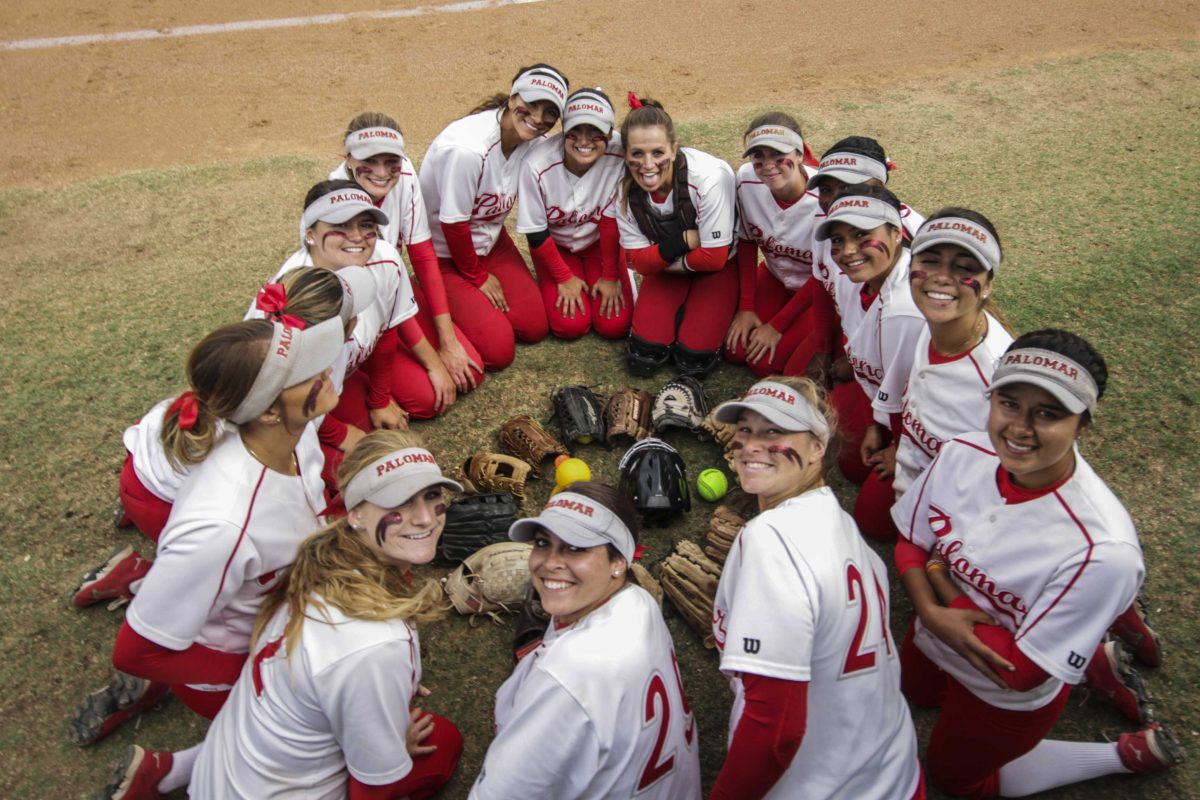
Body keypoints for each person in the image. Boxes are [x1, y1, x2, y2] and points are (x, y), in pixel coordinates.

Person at [892, 330, 1183, 797]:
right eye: (1009, 403)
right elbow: (909, 541)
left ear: (1083, 424)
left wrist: (937, 582)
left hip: (1003, 690)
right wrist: (930, 610)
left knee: (956, 780)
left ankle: (1121, 754)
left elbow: (1021, 671)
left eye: (1048, 413)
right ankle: (1092, 655)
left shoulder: (1103, 549)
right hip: (942, 631)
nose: (1020, 428)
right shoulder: (964, 450)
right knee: (915, 693)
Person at [74, 317, 343, 799]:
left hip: (280, 620)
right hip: (234, 661)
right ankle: (176, 770)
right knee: (340, 738)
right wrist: (259, 686)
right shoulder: (221, 524)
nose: (324, 370)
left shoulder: (294, 431)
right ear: (266, 412)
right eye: (306, 371)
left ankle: (168, 767)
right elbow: (135, 652)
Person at [73, 267, 374, 611]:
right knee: (273, 590)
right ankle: (136, 576)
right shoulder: (239, 474)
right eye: (313, 368)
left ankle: (149, 498)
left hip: (152, 461)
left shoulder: (265, 364)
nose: (325, 372)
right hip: (157, 491)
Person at [185, 429, 464, 799]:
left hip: (223, 773)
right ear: (356, 514)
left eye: (432, 495)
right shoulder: (376, 645)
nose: (426, 518)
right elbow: (375, 790)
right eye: (400, 503)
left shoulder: (324, 556)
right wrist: (390, 738)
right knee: (442, 744)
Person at [708, 377, 924, 799]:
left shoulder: (771, 539)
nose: (752, 444)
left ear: (817, 448)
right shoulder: (845, 528)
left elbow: (775, 731)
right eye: (746, 429)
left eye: (775, 431)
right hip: (893, 772)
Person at [469, 481, 701, 799]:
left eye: (575, 547)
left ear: (619, 561)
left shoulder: (565, 678)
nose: (549, 563)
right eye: (541, 542)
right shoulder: (639, 601)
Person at [853, 208, 1014, 540]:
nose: (941, 277)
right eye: (929, 261)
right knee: (867, 514)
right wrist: (900, 448)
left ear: (987, 285)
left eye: (964, 268)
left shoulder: (1002, 381)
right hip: (916, 466)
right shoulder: (931, 322)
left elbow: (1009, 483)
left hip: (959, 505)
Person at [268, 179, 467, 429]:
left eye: (366, 225)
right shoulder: (291, 293)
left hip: (347, 368)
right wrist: (338, 435)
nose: (357, 237)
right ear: (310, 234)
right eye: (340, 225)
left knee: (427, 400)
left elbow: (387, 329)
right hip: (301, 391)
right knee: (348, 454)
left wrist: (379, 398)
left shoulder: (383, 257)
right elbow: (281, 391)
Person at [420, 64, 569, 369]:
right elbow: (453, 224)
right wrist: (477, 277)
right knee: (499, 352)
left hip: (491, 241)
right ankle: (425, 290)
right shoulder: (467, 149)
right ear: (513, 98)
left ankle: (469, 306)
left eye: (550, 111)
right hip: (447, 253)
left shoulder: (533, 143)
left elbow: (583, 142)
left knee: (534, 328)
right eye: (532, 104)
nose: (539, 118)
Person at [332, 112, 484, 395]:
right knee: (426, 397)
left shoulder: (403, 174)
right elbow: (378, 295)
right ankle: (362, 365)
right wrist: (433, 363)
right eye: (369, 160)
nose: (381, 172)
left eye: (391, 161)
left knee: (471, 369)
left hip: (392, 295)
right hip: (359, 314)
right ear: (348, 158)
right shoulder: (336, 204)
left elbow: (423, 255)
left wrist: (448, 341)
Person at [612, 95, 738, 378]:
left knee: (694, 359)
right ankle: (681, 310)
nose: (647, 164)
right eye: (637, 153)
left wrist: (661, 258)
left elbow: (714, 258)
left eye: (657, 153)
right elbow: (638, 263)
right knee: (644, 355)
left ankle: (697, 310)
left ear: (674, 149)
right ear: (625, 154)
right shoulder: (621, 190)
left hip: (716, 268)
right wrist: (685, 241)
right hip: (669, 267)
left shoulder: (708, 176)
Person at [814, 184, 925, 486]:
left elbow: (921, 396)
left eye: (862, 234)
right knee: (849, 457)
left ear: (896, 231)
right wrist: (878, 424)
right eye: (838, 239)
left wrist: (902, 449)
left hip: (931, 420)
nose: (848, 251)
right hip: (888, 400)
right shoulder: (855, 278)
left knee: (873, 519)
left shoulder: (907, 308)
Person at [725, 113, 839, 383]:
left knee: (765, 366)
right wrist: (747, 307)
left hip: (818, 292)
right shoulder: (746, 180)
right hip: (776, 277)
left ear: (801, 153)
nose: (768, 165)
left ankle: (835, 338)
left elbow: (823, 275)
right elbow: (747, 241)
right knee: (736, 351)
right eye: (758, 156)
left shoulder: (825, 199)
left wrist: (777, 326)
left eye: (778, 155)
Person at [516, 88, 633, 340]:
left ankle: (626, 273)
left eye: (595, 132)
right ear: (562, 130)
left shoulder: (622, 152)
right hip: (554, 247)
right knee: (569, 326)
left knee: (615, 326)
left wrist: (611, 275)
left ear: (610, 132)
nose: (584, 140)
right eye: (575, 131)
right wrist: (563, 277)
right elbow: (536, 232)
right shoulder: (536, 163)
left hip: (602, 243)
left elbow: (612, 220)